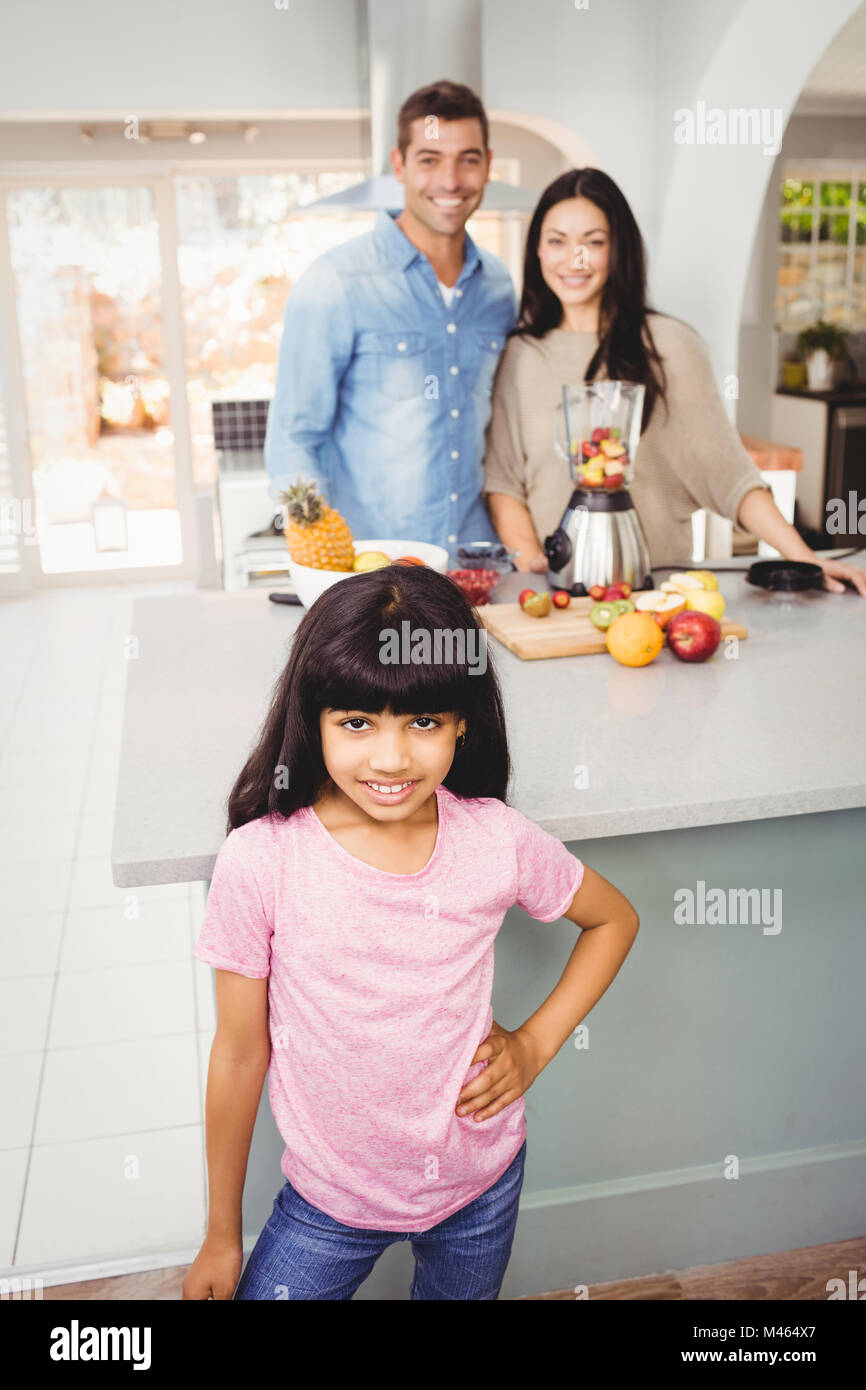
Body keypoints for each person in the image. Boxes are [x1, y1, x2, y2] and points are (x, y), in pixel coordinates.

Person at [182, 564, 639, 1301]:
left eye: (422, 722)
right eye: (357, 722)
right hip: (328, 1203)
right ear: (315, 718)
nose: (391, 759)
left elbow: (615, 919)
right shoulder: (262, 861)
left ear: (462, 719)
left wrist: (533, 1044)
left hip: (479, 1185)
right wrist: (220, 1233)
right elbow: (238, 1054)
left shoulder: (498, 841)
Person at [482, 168, 866, 595]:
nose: (575, 260)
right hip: (553, 593)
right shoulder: (520, 355)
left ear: (619, 250)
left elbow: (729, 475)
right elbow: (503, 482)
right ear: (536, 249)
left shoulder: (668, 345)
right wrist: (532, 564)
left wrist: (805, 558)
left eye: (594, 242)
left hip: (659, 594)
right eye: (557, 241)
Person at [264, 80, 518, 560]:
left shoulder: (499, 288)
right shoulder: (336, 283)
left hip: (477, 569)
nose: (450, 181)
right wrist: (324, 563)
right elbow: (295, 438)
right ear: (398, 164)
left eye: (467, 158)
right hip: (375, 577)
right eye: (429, 159)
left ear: (487, 163)